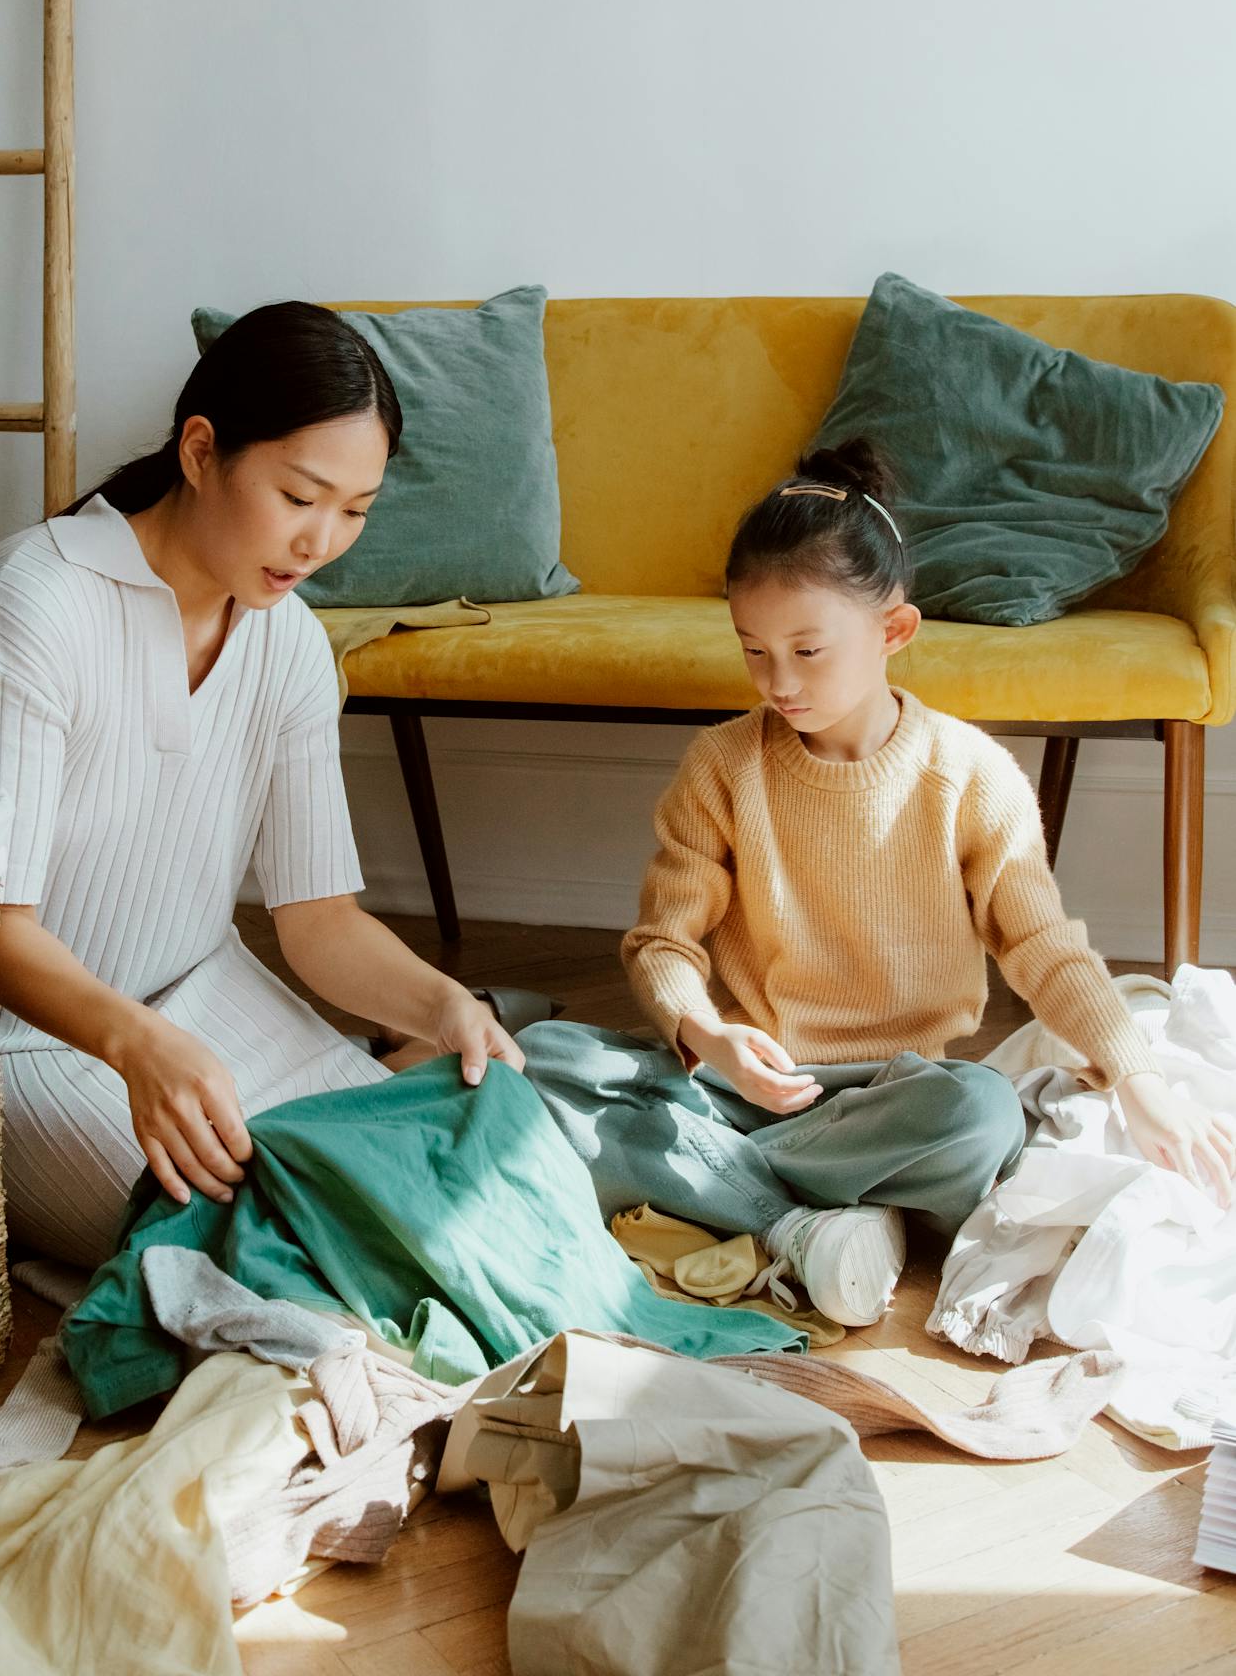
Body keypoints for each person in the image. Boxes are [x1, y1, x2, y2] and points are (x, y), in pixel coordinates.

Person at [519, 438, 1236, 1327]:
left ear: (893, 631)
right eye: (753, 651)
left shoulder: (970, 775)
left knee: (981, 1112)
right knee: (546, 1063)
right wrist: (705, 1034)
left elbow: (1044, 947)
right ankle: (815, 1222)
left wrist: (1135, 1076)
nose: (777, 681)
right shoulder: (721, 764)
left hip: (901, 1098)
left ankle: (754, 1204)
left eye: (807, 650)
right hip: (750, 1089)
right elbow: (662, 941)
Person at [0, 303, 522, 1268]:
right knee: (261, 1242)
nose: (321, 542)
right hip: (3, 1046)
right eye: (300, 496)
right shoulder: (33, 608)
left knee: (420, 1188)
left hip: (199, 990)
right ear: (200, 450)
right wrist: (138, 1046)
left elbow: (317, 920)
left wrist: (441, 1008)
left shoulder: (290, 641)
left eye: (355, 510)